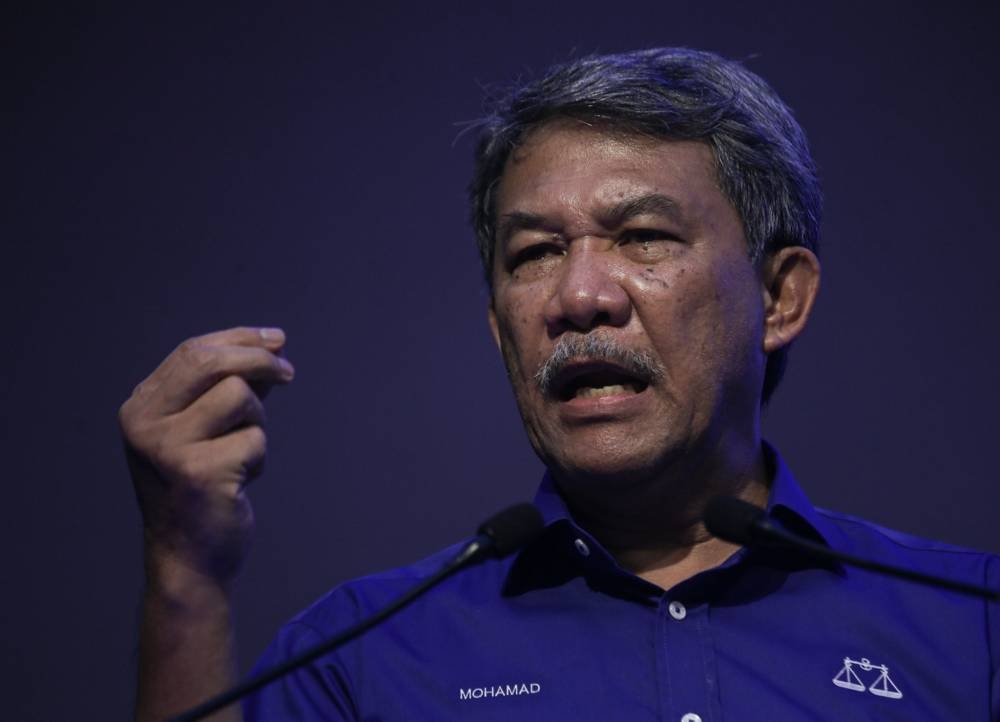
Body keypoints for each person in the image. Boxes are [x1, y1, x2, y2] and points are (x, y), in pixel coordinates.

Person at [121, 48, 999, 721]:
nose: (579, 297)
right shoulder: (359, 658)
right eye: (535, 253)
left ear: (779, 296)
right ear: (501, 325)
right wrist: (186, 574)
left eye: (643, 235)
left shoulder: (971, 629)